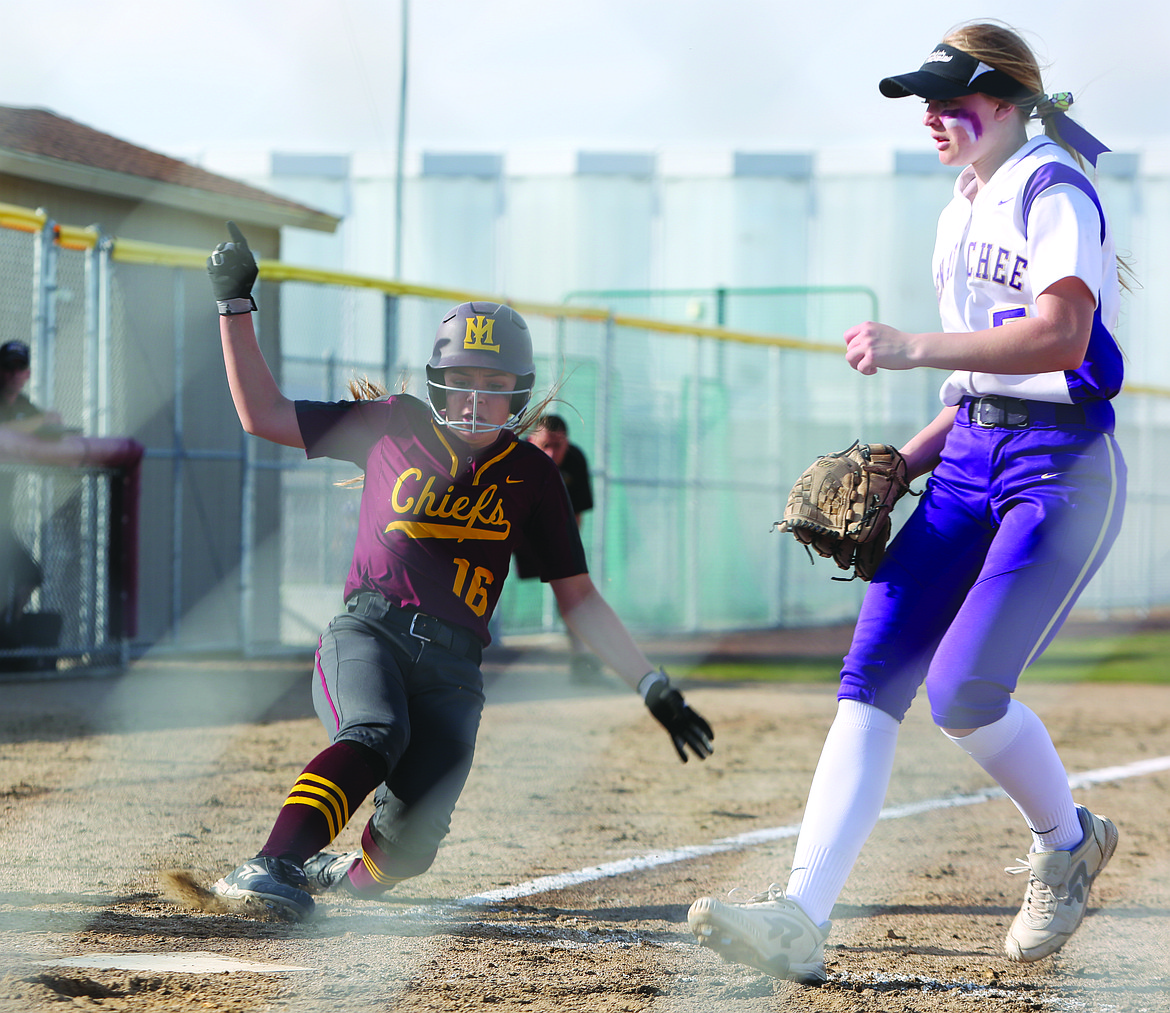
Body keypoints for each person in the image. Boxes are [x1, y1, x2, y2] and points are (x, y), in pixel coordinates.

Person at [688, 21, 1126, 984]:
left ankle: (1068, 839)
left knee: (963, 691)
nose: (932, 117)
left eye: (950, 98)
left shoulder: (1057, 187)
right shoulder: (963, 204)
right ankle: (801, 914)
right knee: (870, 673)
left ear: (1006, 103)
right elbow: (978, 383)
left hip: (1058, 469)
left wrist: (910, 346)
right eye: (924, 102)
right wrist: (906, 461)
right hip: (969, 456)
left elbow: (1058, 338)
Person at [204, 223, 714, 921]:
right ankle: (271, 862)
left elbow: (579, 599)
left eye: (495, 385)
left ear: (519, 391)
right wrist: (235, 304)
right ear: (438, 382)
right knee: (374, 733)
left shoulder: (532, 474)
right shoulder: (394, 423)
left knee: (411, 843)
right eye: (463, 381)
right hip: (370, 633)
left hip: (454, 665)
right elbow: (262, 414)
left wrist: (653, 685)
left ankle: (336, 892)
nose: (477, 398)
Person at [512, 413, 603, 683]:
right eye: (545, 446)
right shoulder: (515, 459)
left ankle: (582, 661)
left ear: (568, 443)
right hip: (509, 531)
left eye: (558, 446)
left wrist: (566, 559)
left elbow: (575, 519)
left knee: (574, 594)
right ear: (531, 440)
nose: (552, 454)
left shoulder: (574, 461)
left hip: (552, 534)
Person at [0, 340, 62, 635]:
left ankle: (9, 624)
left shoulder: (24, 407)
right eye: (8, 367)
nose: (13, 374)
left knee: (29, 573)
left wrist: (50, 423)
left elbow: (48, 429)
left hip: (4, 518)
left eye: (19, 368)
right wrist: (37, 424)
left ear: (27, 374)